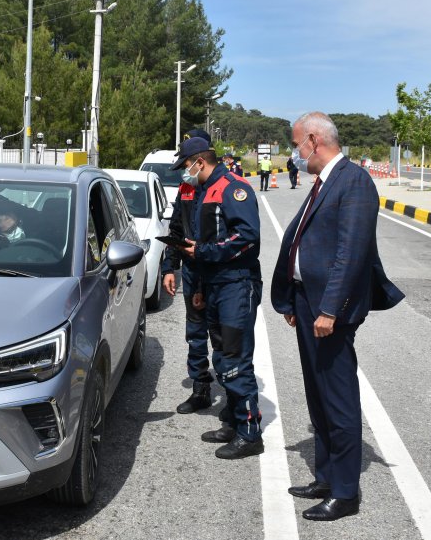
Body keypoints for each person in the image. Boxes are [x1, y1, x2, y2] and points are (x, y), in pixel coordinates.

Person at [270, 112, 404, 521]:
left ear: (313, 140)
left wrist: (329, 308)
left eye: (296, 144)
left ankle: (346, 492)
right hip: (308, 303)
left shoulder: (354, 182)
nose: (295, 153)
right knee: (318, 396)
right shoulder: (324, 182)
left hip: (331, 310)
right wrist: (296, 302)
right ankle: (327, 476)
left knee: (339, 399)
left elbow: (351, 252)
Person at [171, 136, 264, 460]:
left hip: (236, 285)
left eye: (185, 166)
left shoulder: (232, 188)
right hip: (211, 284)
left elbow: (249, 238)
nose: (185, 173)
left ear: (199, 161)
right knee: (222, 355)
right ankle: (232, 420)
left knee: (235, 358)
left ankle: (250, 433)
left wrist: (206, 251)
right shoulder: (200, 190)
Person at [162, 129, 217, 415]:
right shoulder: (186, 188)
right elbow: (175, 229)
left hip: (218, 274)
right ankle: (201, 388)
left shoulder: (221, 187)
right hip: (192, 271)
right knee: (195, 333)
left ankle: (234, 397)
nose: (185, 170)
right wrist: (170, 267)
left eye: (186, 163)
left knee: (221, 335)